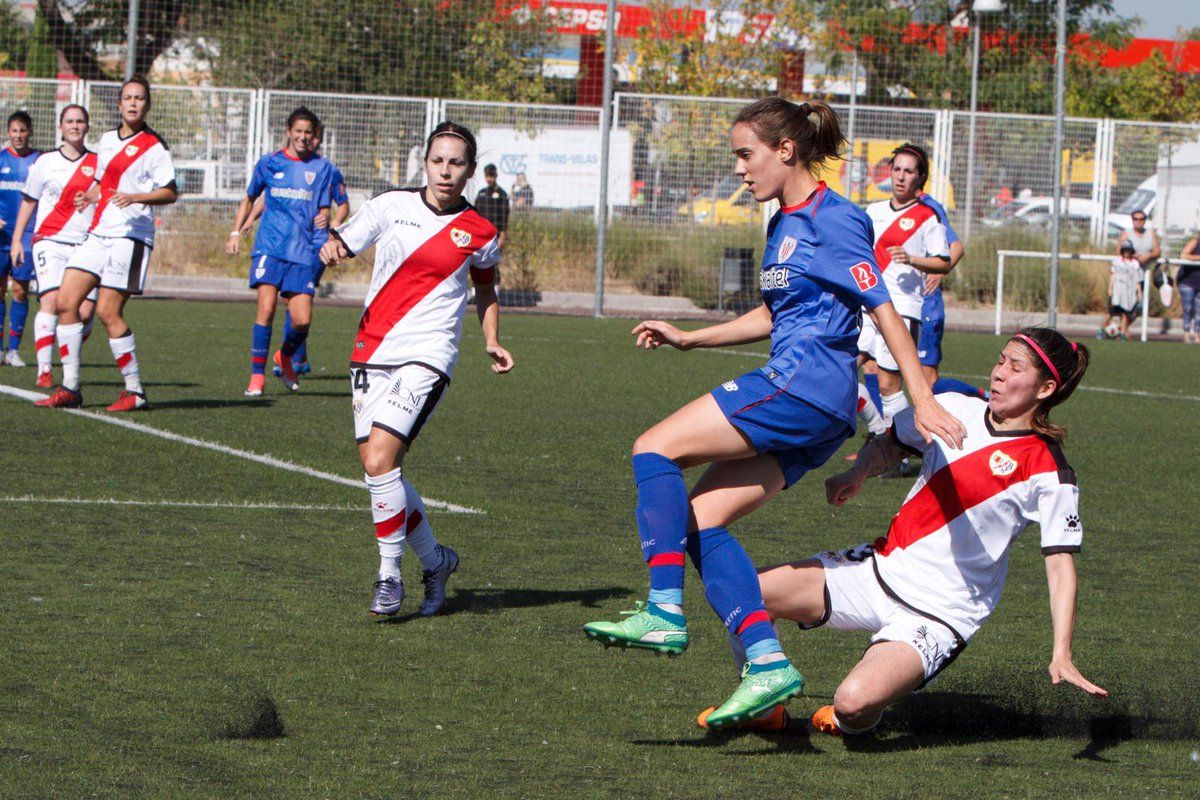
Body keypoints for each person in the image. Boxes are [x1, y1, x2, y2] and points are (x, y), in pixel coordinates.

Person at [582, 98, 965, 731]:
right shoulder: (781, 221)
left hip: (803, 386)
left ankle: (663, 608)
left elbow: (883, 311)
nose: (739, 170)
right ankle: (765, 665)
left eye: (745, 154)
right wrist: (691, 338)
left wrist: (920, 399)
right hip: (815, 403)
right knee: (701, 521)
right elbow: (774, 313)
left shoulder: (835, 219)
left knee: (653, 449)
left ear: (785, 151)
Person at [698, 327, 1106, 734]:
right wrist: (859, 471)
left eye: (1015, 367)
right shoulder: (950, 407)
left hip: (940, 611)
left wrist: (1062, 652)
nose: (999, 373)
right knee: (745, 592)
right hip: (878, 570)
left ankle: (846, 719)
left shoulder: (1050, 471)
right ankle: (766, 707)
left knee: (853, 702)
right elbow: (892, 442)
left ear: (1046, 387)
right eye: (1001, 360)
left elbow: (1060, 565)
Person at [319, 121, 514, 618]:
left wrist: (491, 339)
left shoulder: (481, 232)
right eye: (438, 161)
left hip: (428, 353)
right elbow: (345, 241)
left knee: (382, 460)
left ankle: (389, 575)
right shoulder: (390, 206)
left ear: (470, 170)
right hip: (371, 348)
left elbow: (486, 287)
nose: (446, 171)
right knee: (378, 468)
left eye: (456, 163)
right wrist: (332, 248)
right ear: (424, 163)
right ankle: (435, 560)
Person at [36, 75, 178, 411]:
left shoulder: (154, 146)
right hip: (99, 232)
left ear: (147, 104)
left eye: (139, 98)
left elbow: (170, 191)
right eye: (127, 97)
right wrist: (91, 195)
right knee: (65, 302)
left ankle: (135, 391)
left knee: (106, 311)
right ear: (119, 103)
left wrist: (136, 197)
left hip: (130, 236)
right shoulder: (107, 139)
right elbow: (104, 180)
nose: (133, 103)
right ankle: (70, 387)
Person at [227, 106, 333, 397]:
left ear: (314, 136)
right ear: (289, 132)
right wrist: (237, 231)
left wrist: (327, 223)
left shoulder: (322, 169)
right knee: (267, 309)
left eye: (307, 133)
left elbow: (323, 207)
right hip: (270, 247)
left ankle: (285, 356)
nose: (302, 137)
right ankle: (256, 377)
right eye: (297, 131)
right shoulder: (270, 163)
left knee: (302, 320)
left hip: (301, 252)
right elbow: (250, 197)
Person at [858, 143, 952, 429]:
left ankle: (896, 448)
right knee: (840, 370)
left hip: (902, 310)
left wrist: (912, 258)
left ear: (919, 178)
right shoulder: (872, 211)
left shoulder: (928, 216)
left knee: (888, 383)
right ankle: (878, 430)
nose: (900, 177)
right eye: (896, 169)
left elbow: (944, 262)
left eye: (908, 171)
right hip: (866, 307)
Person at [249, 122, 351, 377]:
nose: (309, 140)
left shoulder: (326, 169)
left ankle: (293, 357)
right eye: (306, 135)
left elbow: (343, 204)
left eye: (313, 136)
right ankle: (297, 357)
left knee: (298, 301)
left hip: (315, 246)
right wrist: (249, 220)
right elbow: (272, 197)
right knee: (291, 300)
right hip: (291, 242)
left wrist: (332, 226)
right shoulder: (291, 166)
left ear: (318, 139)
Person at [9, 105, 99, 388]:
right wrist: (17, 240)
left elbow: (106, 197)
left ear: (87, 126)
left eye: (80, 121)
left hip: (86, 244)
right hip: (49, 240)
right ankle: (45, 370)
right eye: (69, 121)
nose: (75, 125)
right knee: (52, 301)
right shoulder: (45, 162)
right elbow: (29, 201)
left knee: (84, 312)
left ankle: (66, 348)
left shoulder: (99, 162)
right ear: (61, 127)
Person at [0, 111, 41, 367]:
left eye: (22, 130)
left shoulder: (39, 161)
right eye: (14, 130)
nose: (18, 135)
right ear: (8, 133)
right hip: (0, 236)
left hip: (25, 236)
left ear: (30, 132)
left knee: (19, 290)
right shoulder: (1, 159)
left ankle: (13, 350)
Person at [1097, 240, 1141, 341]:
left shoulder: (1134, 264)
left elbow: (1136, 279)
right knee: (1111, 312)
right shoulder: (1117, 262)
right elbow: (1113, 275)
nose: (1127, 252)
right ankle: (1101, 329)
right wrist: (1110, 288)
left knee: (1125, 313)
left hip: (1128, 293)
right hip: (1118, 291)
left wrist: (1139, 291)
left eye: (1128, 250)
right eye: (1125, 250)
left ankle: (1122, 333)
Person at [473, 164, 509, 249]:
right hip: (481, 233)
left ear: (496, 176)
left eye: (491, 175)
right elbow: (475, 213)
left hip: (495, 234)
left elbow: (505, 216)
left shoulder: (502, 193)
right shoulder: (481, 193)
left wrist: (502, 235)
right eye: (487, 175)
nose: (489, 178)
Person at [1176, 232, 1200, 344]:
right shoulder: (1195, 242)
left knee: (1199, 310)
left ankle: (1197, 334)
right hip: (1188, 282)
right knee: (1188, 308)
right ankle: (1186, 333)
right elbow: (1183, 255)